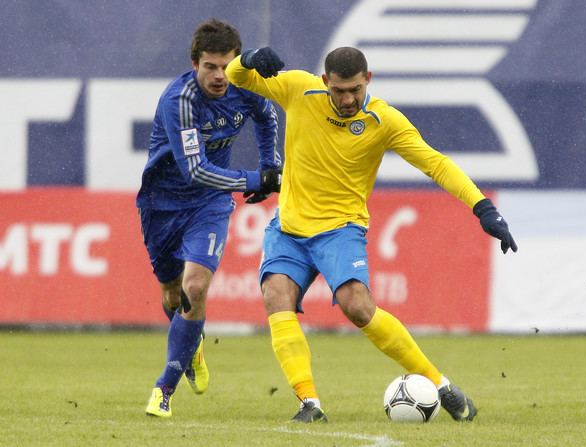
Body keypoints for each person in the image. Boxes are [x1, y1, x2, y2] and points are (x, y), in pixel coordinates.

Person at [225, 46, 517, 423]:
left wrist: (482, 207)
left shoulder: (385, 120)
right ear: (325, 82)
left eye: (355, 91)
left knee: (358, 306)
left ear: (369, 81)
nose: (347, 99)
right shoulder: (299, 89)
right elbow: (235, 76)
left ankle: (441, 385)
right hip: (289, 229)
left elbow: (436, 164)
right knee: (275, 295)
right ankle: (310, 404)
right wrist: (247, 58)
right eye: (339, 91)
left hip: (341, 229)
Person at [137, 20, 282, 418]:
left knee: (195, 286)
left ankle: (162, 391)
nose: (219, 76)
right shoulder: (179, 101)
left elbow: (267, 117)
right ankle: (193, 347)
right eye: (210, 67)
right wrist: (258, 178)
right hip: (161, 204)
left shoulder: (244, 86)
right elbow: (195, 170)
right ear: (194, 64)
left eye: (225, 66)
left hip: (210, 204)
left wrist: (272, 165)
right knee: (173, 295)